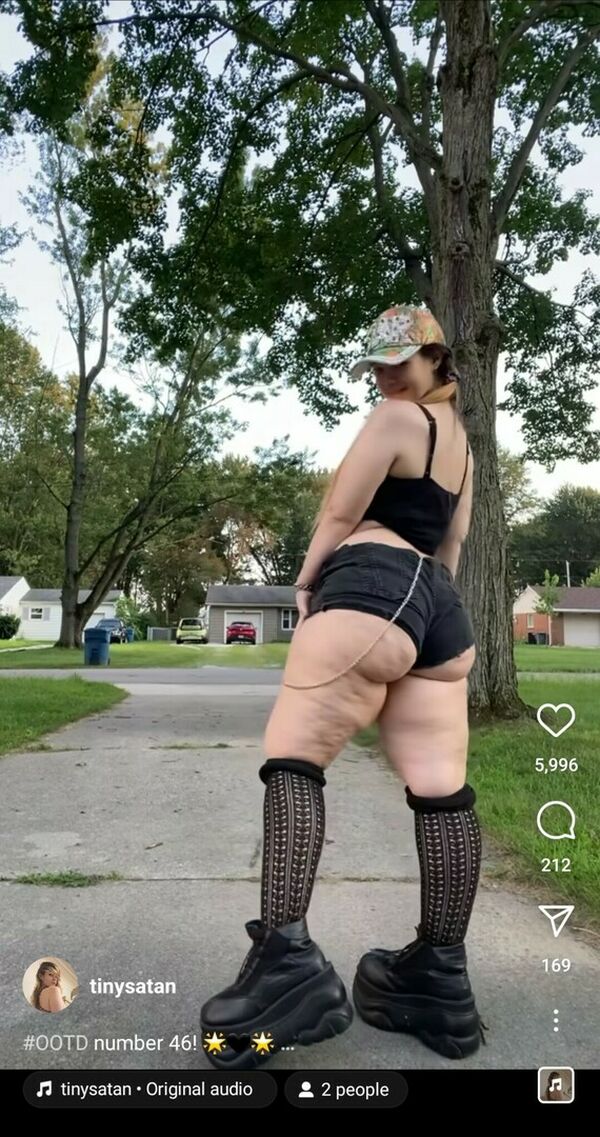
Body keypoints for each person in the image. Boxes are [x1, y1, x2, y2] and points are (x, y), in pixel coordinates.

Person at [201, 305, 483, 1068]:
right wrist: (428, 615)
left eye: (398, 362)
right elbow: (451, 545)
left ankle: (288, 965)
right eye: (377, 367)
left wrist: (305, 582)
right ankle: (439, 979)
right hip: (438, 609)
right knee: (441, 788)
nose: (385, 378)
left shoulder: (396, 419)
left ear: (436, 356)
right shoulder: (461, 447)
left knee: (294, 755)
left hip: (372, 581)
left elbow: (339, 508)